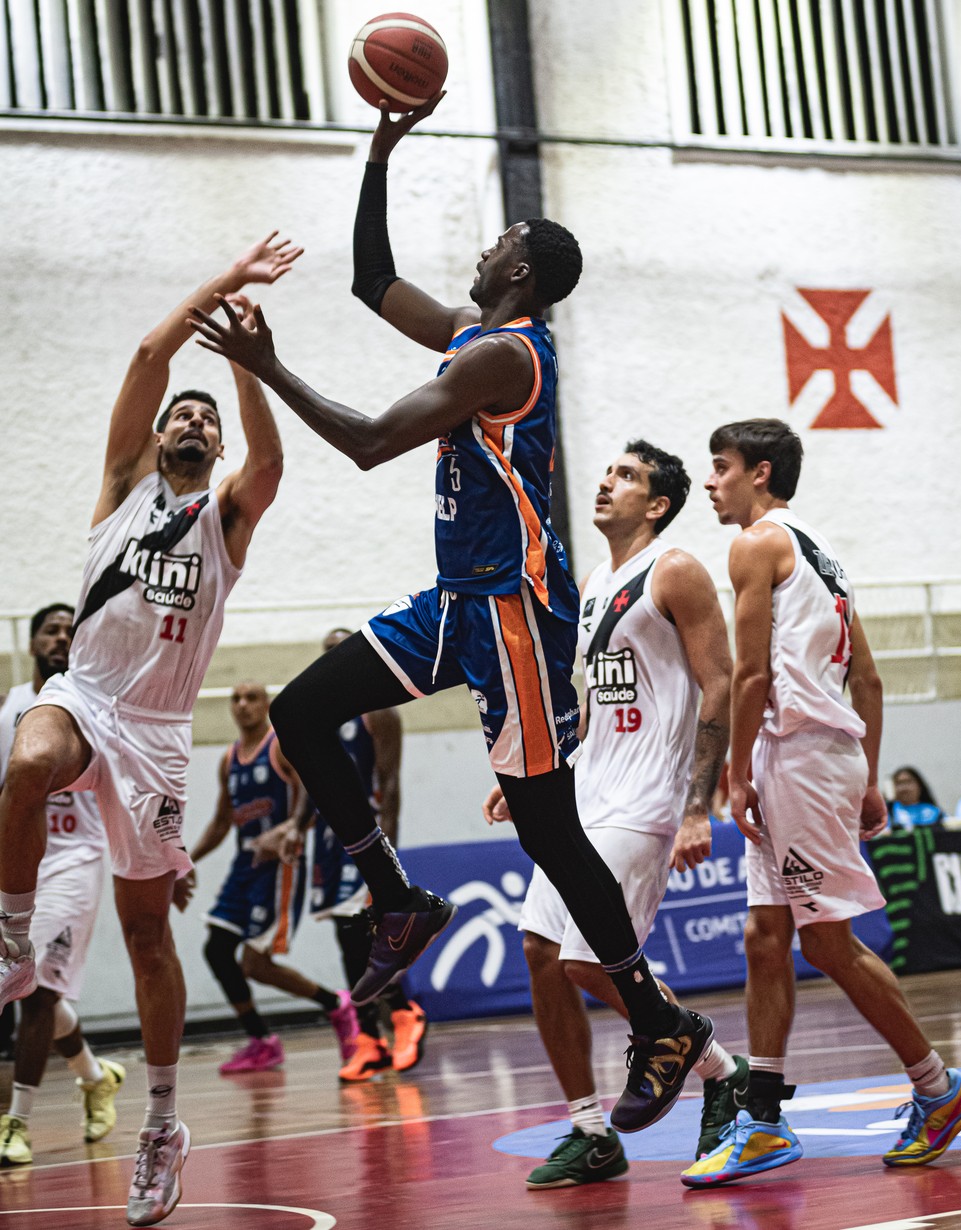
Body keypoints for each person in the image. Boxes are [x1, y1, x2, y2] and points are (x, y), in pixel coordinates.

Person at [189, 98, 713, 1133]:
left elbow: (369, 443)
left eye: (498, 239)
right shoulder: (478, 336)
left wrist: (265, 367)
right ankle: (396, 897)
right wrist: (380, 152)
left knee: (548, 830)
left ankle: (659, 1020)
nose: (483, 248)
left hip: (513, 607)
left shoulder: (504, 356)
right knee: (301, 713)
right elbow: (371, 280)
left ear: (521, 268)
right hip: (456, 598)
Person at [0, 233, 300, 1225]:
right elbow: (145, 356)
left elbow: (271, 459)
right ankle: (11, 939)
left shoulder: (229, 518)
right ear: (158, 436)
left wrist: (246, 367)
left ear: (216, 448)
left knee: (147, 939)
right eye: (183, 413)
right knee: (29, 758)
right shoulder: (123, 486)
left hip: (159, 737)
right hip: (86, 696)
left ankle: (163, 1123)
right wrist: (225, 283)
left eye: (205, 420)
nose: (192, 422)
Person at [682, 418, 961, 1187]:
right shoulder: (824, 555)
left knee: (825, 944)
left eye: (720, 467)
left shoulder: (755, 544)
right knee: (764, 936)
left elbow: (751, 675)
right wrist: (870, 777)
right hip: (820, 756)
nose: (710, 482)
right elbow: (869, 679)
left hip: (799, 757)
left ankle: (939, 1088)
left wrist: (736, 773)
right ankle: (762, 1120)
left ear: (760, 472)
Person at [483, 442, 746, 1188]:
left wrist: (698, 805)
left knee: (587, 960)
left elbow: (720, 684)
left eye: (626, 476)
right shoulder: (596, 582)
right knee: (540, 953)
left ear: (658, 503)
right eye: (607, 473)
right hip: (586, 795)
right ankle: (591, 1132)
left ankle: (717, 1068)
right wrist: (540, 779)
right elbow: (597, 708)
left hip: (646, 797)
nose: (606, 483)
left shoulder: (676, 569)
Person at [0, 605, 125, 1166]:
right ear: (32, 644)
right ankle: (95, 1077)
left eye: (70, 631)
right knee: (29, 989)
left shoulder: (95, 707)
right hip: (20, 862)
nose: (61, 637)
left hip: (75, 861)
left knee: (39, 990)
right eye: (50, 630)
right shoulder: (8, 711)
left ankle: (16, 1123)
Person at [183, 681, 357, 1075]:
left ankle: (336, 1005)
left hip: (281, 864)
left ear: (266, 705)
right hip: (244, 865)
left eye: (252, 698)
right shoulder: (229, 759)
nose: (242, 705)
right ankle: (262, 1041)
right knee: (217, 950)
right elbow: (222, 821)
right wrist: (186, 860)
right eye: (236, 698)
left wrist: (291, 827)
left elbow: (314, 790)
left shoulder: (280, 746)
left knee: (256, 965)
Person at [308, 628, 426, 1082]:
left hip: (367, 837)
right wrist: (295, 829)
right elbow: (311, 783)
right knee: (346, 939)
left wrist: (385, 855)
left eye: (340, 648)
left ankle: (404, 1013)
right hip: (329, 840)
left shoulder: (378, 710)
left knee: (367, 936)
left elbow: (389, 785)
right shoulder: (316, 710)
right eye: (327, 651)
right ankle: (369, 1040)